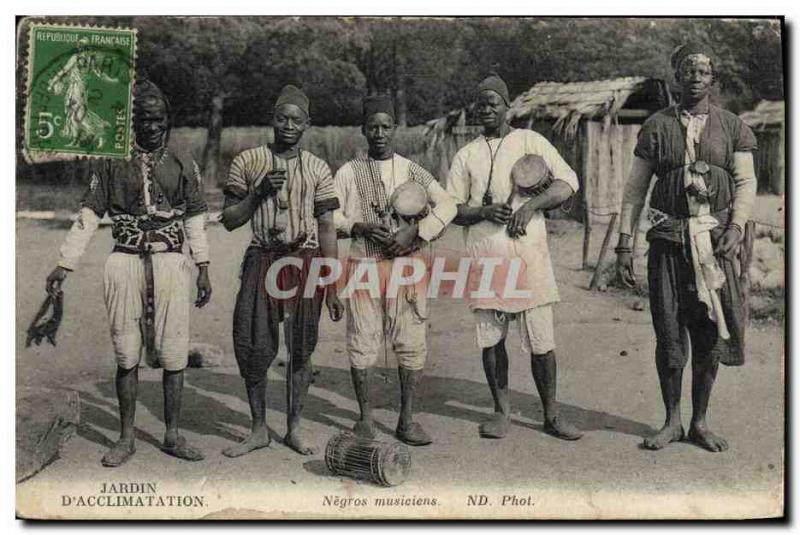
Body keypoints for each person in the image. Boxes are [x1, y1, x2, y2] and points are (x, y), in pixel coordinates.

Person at [45, 79, 213, 467]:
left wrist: (203, 267)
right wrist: (64, 263)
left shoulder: (183, 159)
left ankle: (172, 434)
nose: (150, 126)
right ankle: (125, 437)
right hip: (123, 262)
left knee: (174, 352)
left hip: (172, 262)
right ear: (131, 120)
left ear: (167, 121)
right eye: (143, 119)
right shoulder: (110, 161)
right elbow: (89, 215)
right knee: (126, 351)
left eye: (157, 119)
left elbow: (195, 217)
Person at [615, 43, 758, 452]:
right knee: (669, 331)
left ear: (712, 80)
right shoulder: (657, 126)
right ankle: (671, 421)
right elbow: (635, 189)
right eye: (688, 71)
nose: (695, 77)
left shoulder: (732, 126)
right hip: (668, 242)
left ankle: (700, 421)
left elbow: (746, 183)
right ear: (678, 77)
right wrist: (624, 243)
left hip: (715, 242)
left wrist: (736, 226)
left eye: (703, 72)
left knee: (710, 331)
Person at [446, 74, 583, 441]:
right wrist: (482, 213)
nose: (487, 109)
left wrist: (530, 206)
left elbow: (568, 181)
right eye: (482, 103)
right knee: (491, 338)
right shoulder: (466, 154)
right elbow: (451, 208)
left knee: (542, 339)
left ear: (508, 107)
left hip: (528, 257)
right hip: (485, 257)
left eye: (495, 102)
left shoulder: (529, 141)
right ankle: (500, 411)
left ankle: (551, 414)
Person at [221, 84, 343, 457]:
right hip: (262, 256)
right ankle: (258, 429)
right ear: (271, 120)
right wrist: (257, 193)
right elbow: (228, 220)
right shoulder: (248, 161)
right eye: (281, 118)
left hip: (303, 259)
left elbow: (326, 227)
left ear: (307, 124)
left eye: (296, 120)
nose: (288, 126)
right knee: (254, 343)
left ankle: (294, 427)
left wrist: (333, 283)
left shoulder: (318, 167)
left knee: (302, 347)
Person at [333, 95, 456, 446]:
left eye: (386, 126)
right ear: (363, 130)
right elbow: (329, 215)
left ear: (395, 129)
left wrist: (416, 233)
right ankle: (365, 419)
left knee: (410, 340)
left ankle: (406, 419)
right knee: (361, 341)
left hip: (406, 267)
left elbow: (447, 205)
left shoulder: (411, 169)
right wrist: (358, 227)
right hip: (364, 266)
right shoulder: (349, 171)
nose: (380, 133)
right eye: (373, 127)